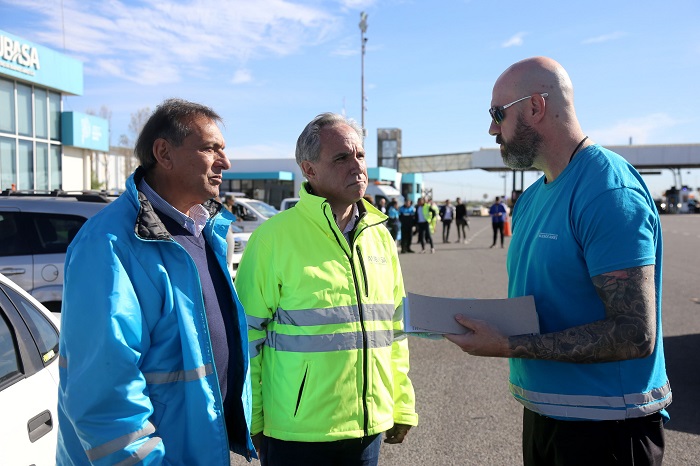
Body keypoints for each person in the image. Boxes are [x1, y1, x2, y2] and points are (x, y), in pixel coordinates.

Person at [445, 56, 670, 466]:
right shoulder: (532, 197)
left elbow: (635, 332)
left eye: (497, 114)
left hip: (608, 429)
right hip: (547, 417)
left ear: (535, 107)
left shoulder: (607, 191)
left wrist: (509, 345)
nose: (492, 129)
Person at [56, 99, 256, 465]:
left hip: (195, 449)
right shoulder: (108, 244)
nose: (224, 163)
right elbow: (104, 395)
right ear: (164, 153)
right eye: (211, 149)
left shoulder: (202, 230)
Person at [235, 112, 419, 466]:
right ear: (309, 169)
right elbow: (247, 337)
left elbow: (395, 330)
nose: (357, 166)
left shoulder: (380, 236)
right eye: (341, 157)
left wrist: (401, 403)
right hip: (297, 434)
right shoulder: (273, 239)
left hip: (368, 431)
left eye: (360, 155)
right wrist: (254, 420)